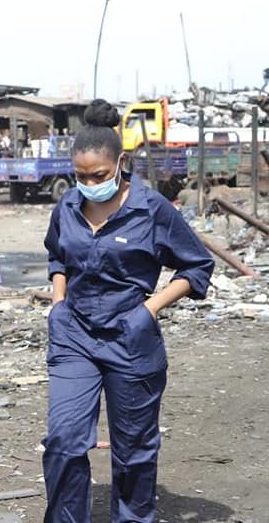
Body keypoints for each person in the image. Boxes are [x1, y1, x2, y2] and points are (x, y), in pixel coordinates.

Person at [42, 99, 214, 523]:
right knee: (63, 439)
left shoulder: (151, 208)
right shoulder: (67, 206)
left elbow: (197, 266)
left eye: (98, 175)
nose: (88, 183)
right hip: (74, 336)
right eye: (79, 176)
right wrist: (59, 302)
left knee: (134, 450)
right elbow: (57, 256)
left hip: (131, 341)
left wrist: (149, 309)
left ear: (121, 162)